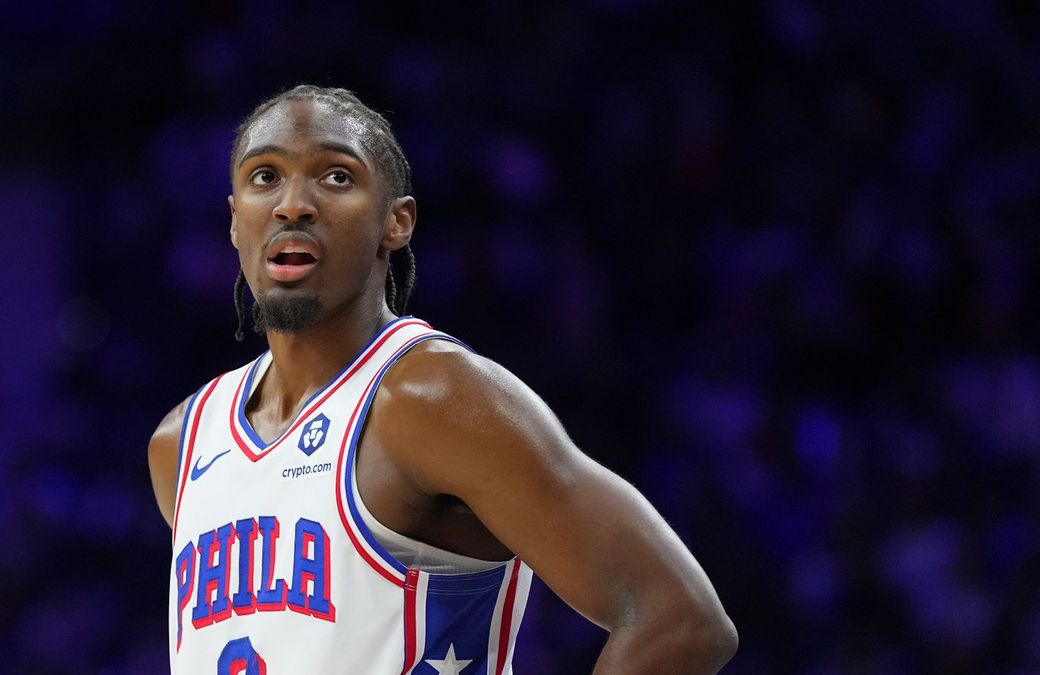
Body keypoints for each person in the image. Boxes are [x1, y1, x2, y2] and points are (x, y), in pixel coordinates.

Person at [148, 84, 737, 674]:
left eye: (336, 177)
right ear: (233, 221)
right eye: (265, 176)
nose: (292, 204)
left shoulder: (432, 399)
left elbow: (679, 618)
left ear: (396, 223)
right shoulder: (182, 444)